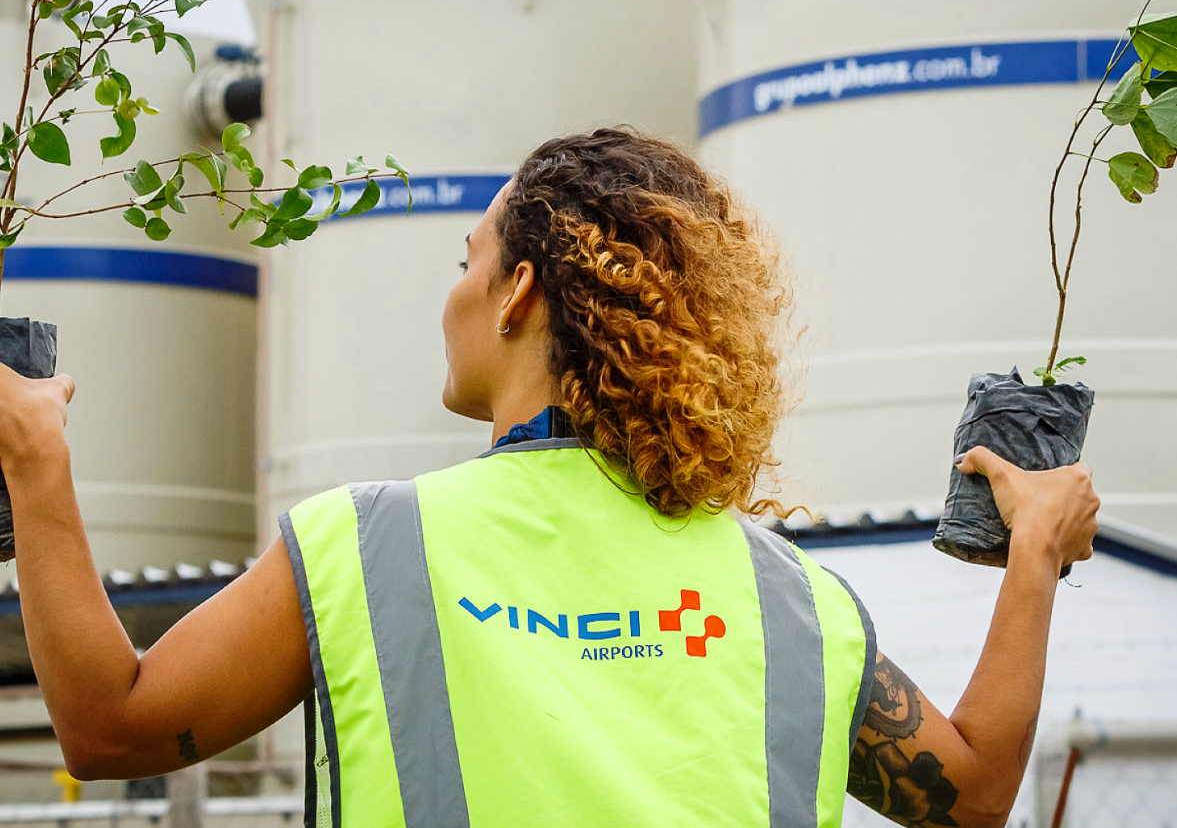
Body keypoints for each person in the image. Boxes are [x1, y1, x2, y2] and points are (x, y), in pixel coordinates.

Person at [0, 127, 1098, 828]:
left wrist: (35, 456)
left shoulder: (367, 548)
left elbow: (110, 724)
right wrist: (1033, 551)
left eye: (467, 261)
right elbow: (972, 794)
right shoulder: (792, 598)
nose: (454, 293)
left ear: (519, 292)